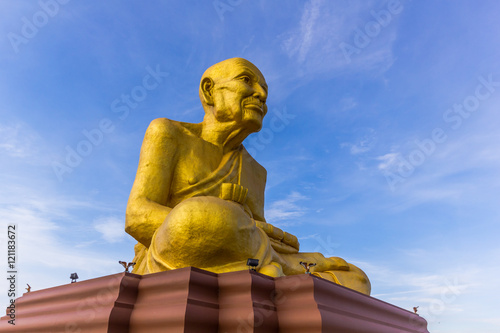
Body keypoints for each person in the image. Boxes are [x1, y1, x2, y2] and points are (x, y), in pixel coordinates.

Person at [125, 57, 371, 295]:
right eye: (246, 80)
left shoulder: (255, 171)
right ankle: (281, 269)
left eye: (264, 90)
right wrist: (220, 215)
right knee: (196, 216)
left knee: (356, 277)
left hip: (245, 251)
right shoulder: (168, 133)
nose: (261, 95)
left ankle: (274, 269)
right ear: (209, 90)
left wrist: (257, 230)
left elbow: (254, 231)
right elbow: (136, 216)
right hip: (179, 247)